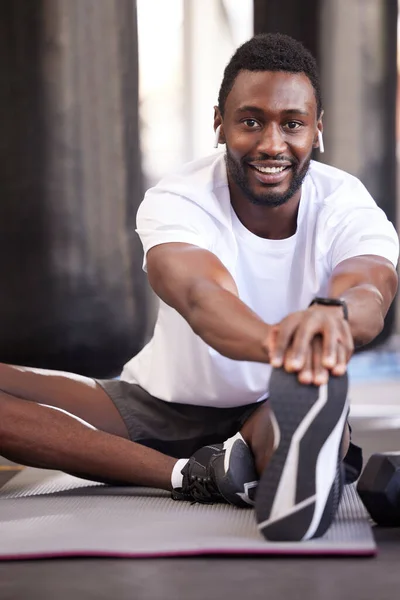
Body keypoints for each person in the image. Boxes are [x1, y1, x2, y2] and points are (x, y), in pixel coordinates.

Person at [0, 33, 398, 542]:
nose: (272, 144)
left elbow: (370, 288)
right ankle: (197, 474)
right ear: (220, 123)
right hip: (158, 401)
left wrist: (334, 317)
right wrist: (288, 343)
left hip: (274, 400)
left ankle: (288, 456)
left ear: (317, 130)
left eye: (292, 124)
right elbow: (202, 297)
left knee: (289, 421)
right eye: (250, 121)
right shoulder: (178, 199)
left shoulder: (346, 202)